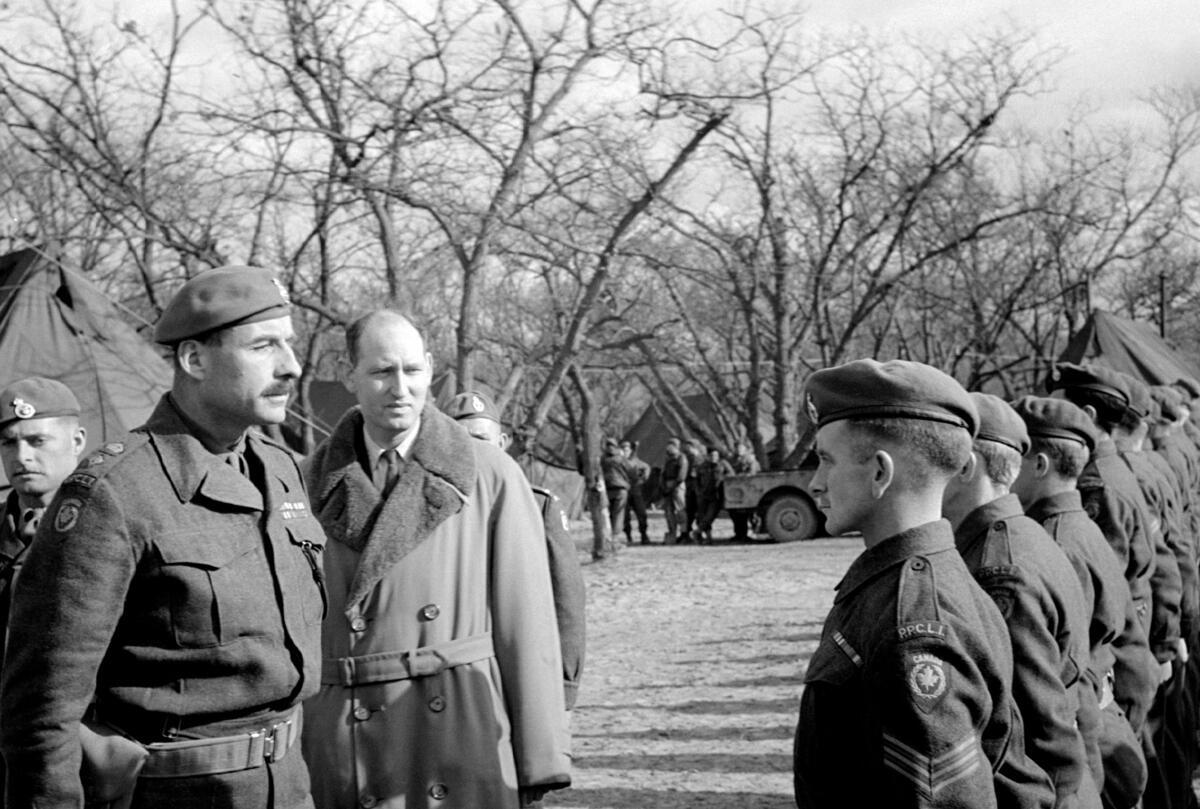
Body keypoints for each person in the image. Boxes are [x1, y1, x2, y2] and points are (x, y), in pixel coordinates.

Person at [0, 266, 325, 809]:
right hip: (173, 792)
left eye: (288, 344)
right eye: (264, 346)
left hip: (288, 786)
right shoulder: (115, 491)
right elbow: (42, 708)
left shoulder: (281, 470)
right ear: (194, 360)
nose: (291, 365)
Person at [302, 310, 570, 809]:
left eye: (412, 370)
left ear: (429, 367)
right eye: (382, 372)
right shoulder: (302, 482)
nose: (400, 388)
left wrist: (541, 756)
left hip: (460, 731)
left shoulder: (489, 474)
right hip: (343, 741)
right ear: (348, 375)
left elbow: (527, 623)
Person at [794, 358, 1053, 809]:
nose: (816, 483)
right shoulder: (924, 580)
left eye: (826, 460)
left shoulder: (912, 625)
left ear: (880, 473)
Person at [941, 393, 1097, 808]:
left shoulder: (998, 571)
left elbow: (1037, 726)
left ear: (966, 466)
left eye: (940, 456)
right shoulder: (1023, 535)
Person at [1011, 395, 1150, 809]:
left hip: (1090, 732)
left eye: (1018, 458)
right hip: (1108, 715)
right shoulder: (1081, 527)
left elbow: (1072, 670)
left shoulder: (1054, 542)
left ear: (1040, 465)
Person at [445, 389, 586, 712]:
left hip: (518, 668)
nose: (472, 449)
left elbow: (567, 602)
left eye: (481, 439)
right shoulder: (430, 510)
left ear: (502, 442)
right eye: (459, 440)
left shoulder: (537, 506)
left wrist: (565, 686)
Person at [0, 378, 87, 803]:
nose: (22, 457)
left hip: (78, 749)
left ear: (77, 442)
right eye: (9, 443)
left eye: (37, 441)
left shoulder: (106, 530)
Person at [694, 446, 733, 544]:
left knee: (710, 516)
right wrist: (698, 491)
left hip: (717, 495)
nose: (714, 457)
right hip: (703, 494)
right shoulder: (702, 466)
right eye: (711, 455)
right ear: (707, 456)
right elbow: (696, 479)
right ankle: (708, 538)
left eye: (716, 455)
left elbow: (731, 474)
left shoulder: (723, 464)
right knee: (702, 516)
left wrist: (722, 478)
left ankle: (698, 531)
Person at [600, 437, 631, 543]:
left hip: (607, 489)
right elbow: (630, 470)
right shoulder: (621, 458)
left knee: (609, 514)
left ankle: (609, 536)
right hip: (621, 489)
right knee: (618, 514)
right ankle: (615, 536)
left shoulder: (603, 459)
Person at [620, 440, 650, 545]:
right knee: (625, 516)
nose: (625, 452)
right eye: (623, 450)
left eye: (627, 450)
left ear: (630, 450)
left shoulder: (636, 461)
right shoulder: (618, 462)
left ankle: (644, 535)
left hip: (635, 490)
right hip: (623, 491)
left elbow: (646, 467)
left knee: (642, 514)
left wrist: (643, 478)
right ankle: (628, 536)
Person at [730, 442, 760, 542]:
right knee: (735, 514)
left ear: (745, 449)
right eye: (737, 448)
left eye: (741, 448)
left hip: (749, 489)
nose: (739, 450)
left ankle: (746, 534)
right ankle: (738, 534)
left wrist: (739, 476)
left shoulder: (750, 459)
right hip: (737, 490)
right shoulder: (734, 459)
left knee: (747, 514)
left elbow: (752, 473)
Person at [660, 438, 688, 544]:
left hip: (678, 486)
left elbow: (681, 476)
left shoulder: (681, 458)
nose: (669, 447)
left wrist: (672, 487)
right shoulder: (667, 459)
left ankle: (684, 533)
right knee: (668, 512)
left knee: (680, 510)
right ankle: (672, 533)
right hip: (667, 485)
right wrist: (663, 487)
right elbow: (663, 473)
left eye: (672, 445)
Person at [682, 439, 705, 541]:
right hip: (689, 488)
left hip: (699, 488)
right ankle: (687, 532)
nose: (687, 448)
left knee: (700, 512)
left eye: (689, 446)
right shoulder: (686, 458)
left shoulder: (701, 459)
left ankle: (700, 532)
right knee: (689, 511)